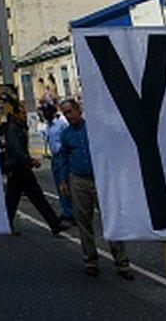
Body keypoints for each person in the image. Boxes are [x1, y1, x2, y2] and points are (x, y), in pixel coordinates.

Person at [57, 99, 134, 280]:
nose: (68, 117)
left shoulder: (95, 129)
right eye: (65, 113)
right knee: (84, 221)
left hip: (100, 179)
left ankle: (122, 262)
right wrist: (62, 180)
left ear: (79, 110)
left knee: (111, 219)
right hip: (78, 180)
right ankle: (90, 261)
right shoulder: (66, 134)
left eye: (70, 112)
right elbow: (63, 157)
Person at [1, 96, 64, 236]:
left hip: (23, 170)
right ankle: (5, 225)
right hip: (17, 170)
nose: (25, 115)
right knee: (12, 201)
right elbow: (17, 150)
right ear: (16, 115)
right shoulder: (13, 129)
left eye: (25, 113)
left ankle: (55, 225)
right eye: (22, 113)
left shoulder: (20, 127)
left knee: (38, 198)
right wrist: (30, 161)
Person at [42, 104, 73, 222]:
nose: (45, 115)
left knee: (66, 183)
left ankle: (73, 212)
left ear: (54, 112)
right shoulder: (47, 127)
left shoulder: (61, 124)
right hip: (54, 157)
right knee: (59, 185)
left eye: (47, 112)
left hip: (63, 156)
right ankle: (66, 211)